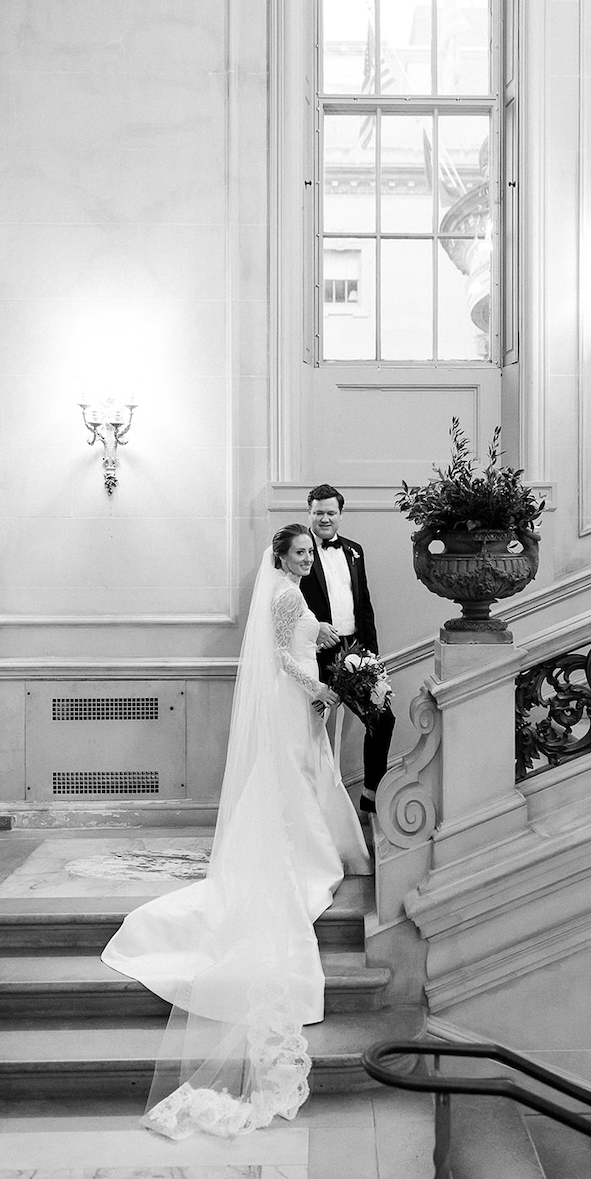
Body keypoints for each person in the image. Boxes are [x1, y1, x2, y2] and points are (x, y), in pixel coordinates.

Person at [101, 525, 370, 1139]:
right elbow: (283, 657)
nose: (306, 559)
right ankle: (310, 855)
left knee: (306, 779)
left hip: (300, 701)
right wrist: (320, 686)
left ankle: (324, 846)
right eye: (298, 552)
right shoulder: (282, 595)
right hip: (293, 697)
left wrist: (325, 638)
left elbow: (301, 635)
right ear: (281, 557)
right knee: (293, 786)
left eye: (309, 552)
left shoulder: (290, 593)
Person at [300, 483, 395, 817]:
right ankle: (307, 806)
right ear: (308, 512)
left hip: (354, 652)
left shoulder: (355, 550)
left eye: (331, 512)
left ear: (340, 514)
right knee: (305, 729)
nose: (325, 518)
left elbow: (364, 605)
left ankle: (371, 795)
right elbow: (284, 603)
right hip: (313, 655)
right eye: (318, 512)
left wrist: (372, 656)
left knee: (382, 719)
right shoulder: (299, 551)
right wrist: (313, 631)